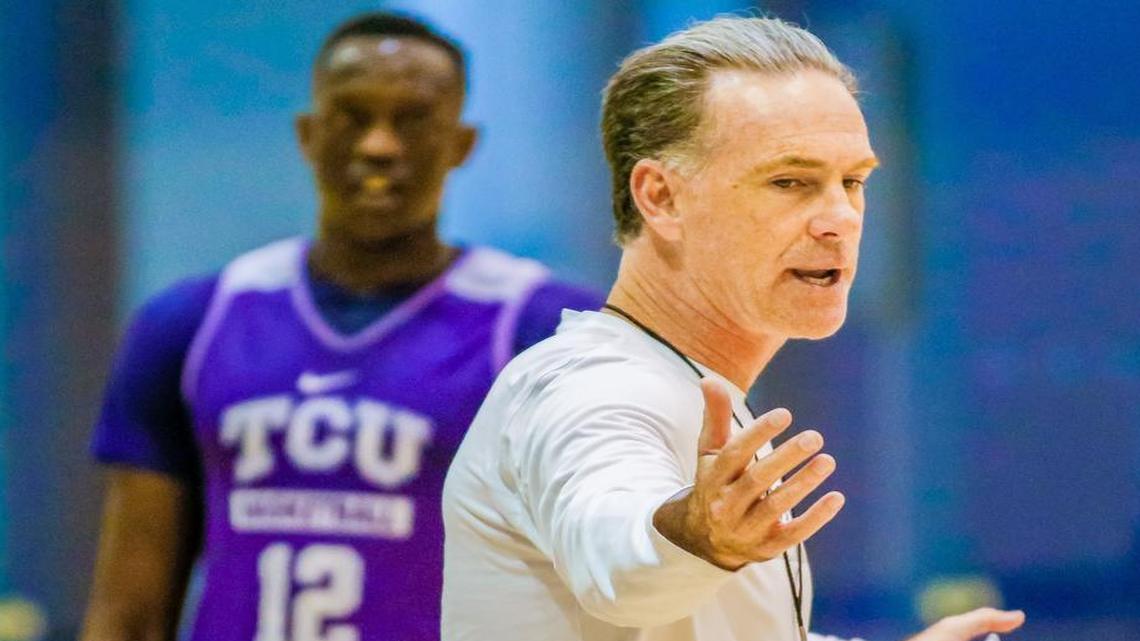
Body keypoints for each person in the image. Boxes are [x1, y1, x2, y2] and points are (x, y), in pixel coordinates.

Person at [441, 16, 1025, 641]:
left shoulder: (676, 380)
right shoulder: (592, 387)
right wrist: (695, 536)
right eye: (789, 182)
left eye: (852, 181)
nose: (839, 220)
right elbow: (616, 559)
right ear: (660, 197)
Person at [80, 11, 602, 641]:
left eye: (412, 119)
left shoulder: (543, 330)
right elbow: (128, 611)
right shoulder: (191, 323)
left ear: (462, 144)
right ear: (307, 133)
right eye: (352, 117)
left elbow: (607, 571)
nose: (379, 145)